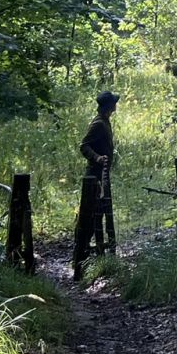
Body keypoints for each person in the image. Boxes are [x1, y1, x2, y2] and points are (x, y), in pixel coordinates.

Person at [72, 90, 118, 279]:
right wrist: (97, 158)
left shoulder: (104, 121)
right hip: (94, 177)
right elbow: (84, 146)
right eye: (114, 103)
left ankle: (90, 258)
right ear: (108, 106)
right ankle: (81, 261)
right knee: (90, 218)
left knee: (97, 216)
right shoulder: (98, 124)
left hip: (100, 175)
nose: (116, 105)